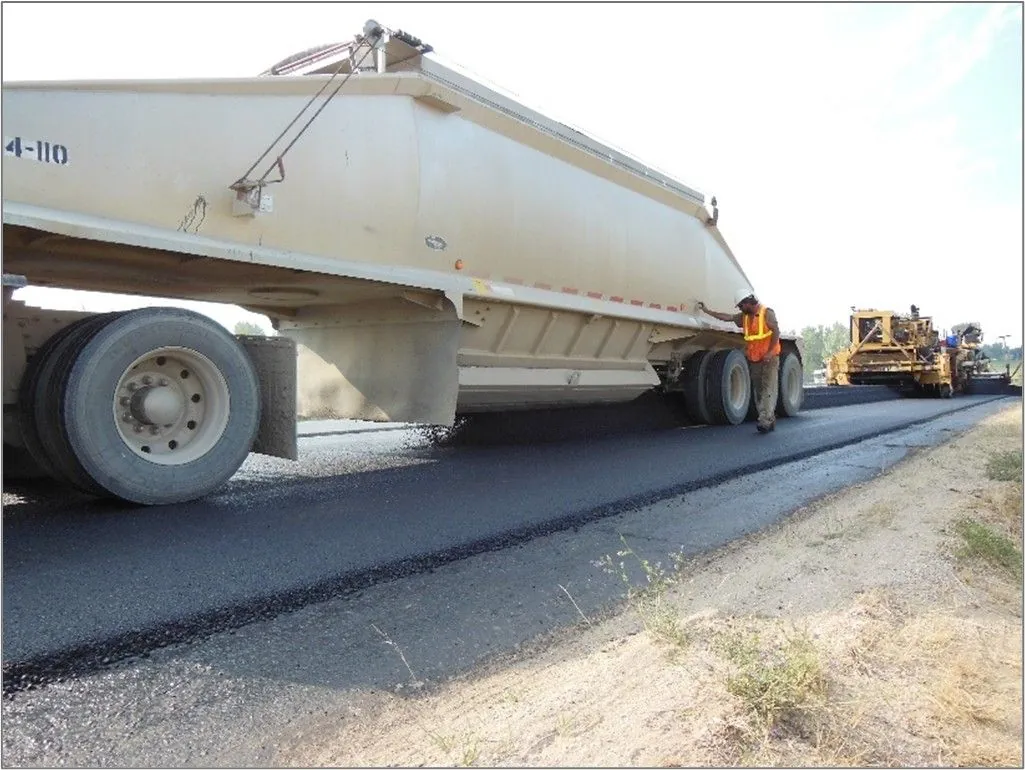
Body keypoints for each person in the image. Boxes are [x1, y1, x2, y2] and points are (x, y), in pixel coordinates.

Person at [696, 289, 782, 433]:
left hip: (769, 358)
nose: (740, 309)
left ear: (747, 302)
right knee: (759, 390)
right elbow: (727, 317)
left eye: (741, 306)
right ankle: (769, 418)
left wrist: (769, 352)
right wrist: (707, 311)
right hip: (755, 359)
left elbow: (776, 332)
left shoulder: (767, 313)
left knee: (768, 388)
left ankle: (765, 421)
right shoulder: (745, 317)